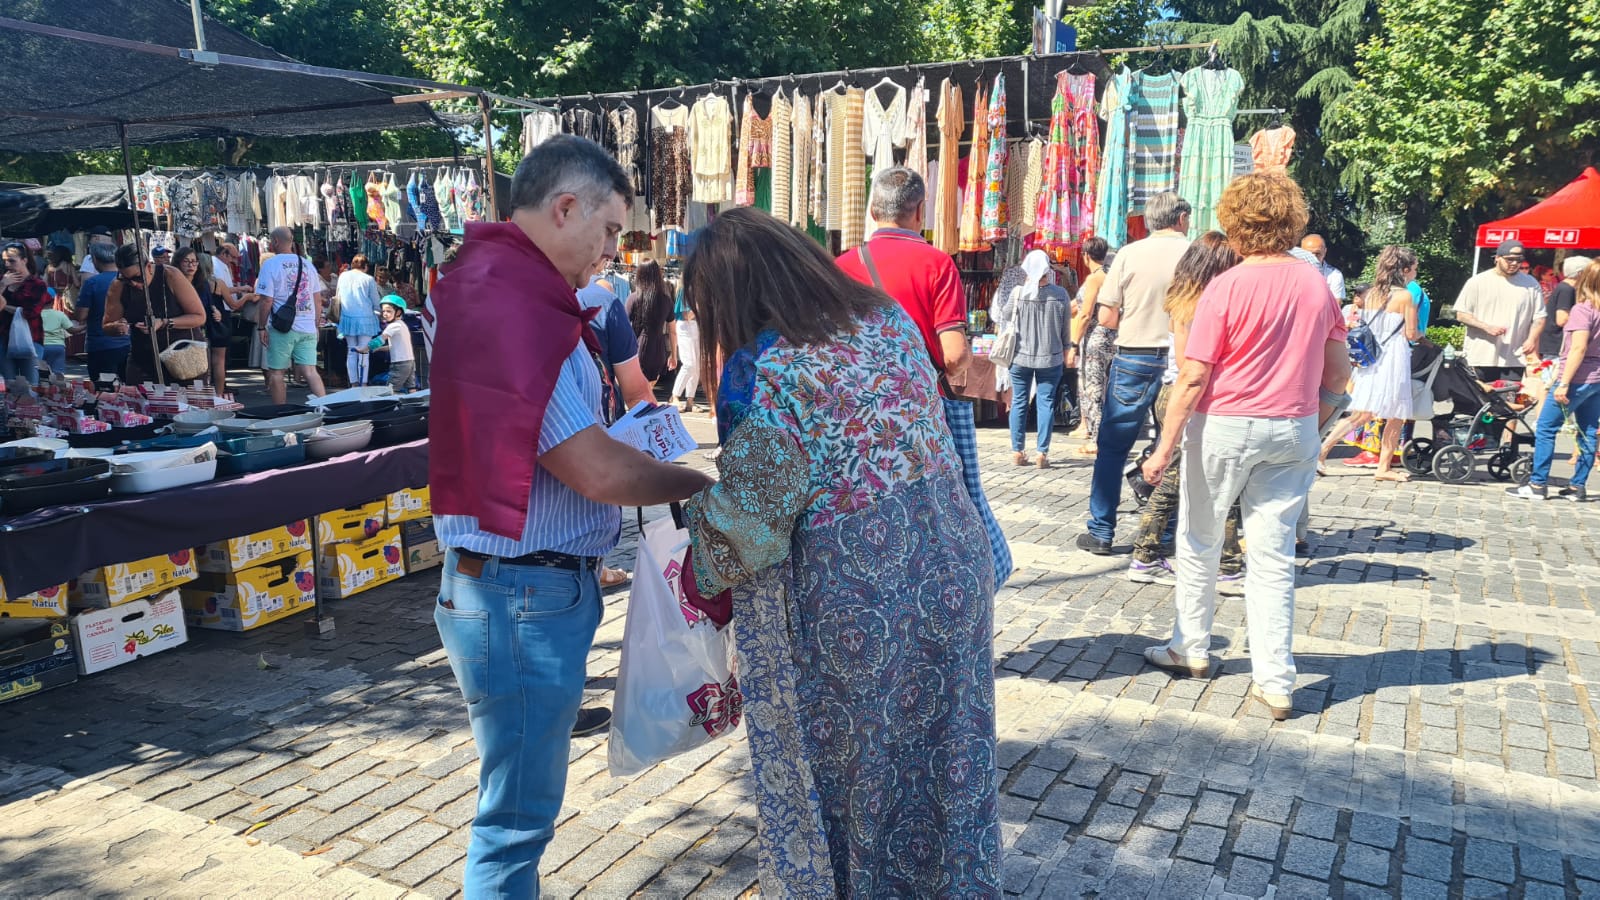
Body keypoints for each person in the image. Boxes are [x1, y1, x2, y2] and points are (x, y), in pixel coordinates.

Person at [680, 206, 1001, 896]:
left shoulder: (763, 366)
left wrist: (693, 565)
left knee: (861, 782)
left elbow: (751, 527)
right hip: (951, 564)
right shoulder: (883, 319)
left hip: (860, 597)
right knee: (948, 761)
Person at [428, 135, 713, 898]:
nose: (612, 251)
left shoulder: (495, 285)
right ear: (564, 208)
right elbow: (593, 469)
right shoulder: (516, 308)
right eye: (612, 229)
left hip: (517, 588)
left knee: (517, 811)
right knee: (514, 823)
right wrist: (703, 481)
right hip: (520, 595)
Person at [1139, 173, 1350, 720]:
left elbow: (1192, 376)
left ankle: (1191, 646)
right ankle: (1276, 680)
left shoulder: (1224, 287)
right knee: (1274, 555)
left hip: (1226, 423)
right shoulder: (1316, 286)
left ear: (1234, 221)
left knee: (1200, 536)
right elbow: (1339, 373)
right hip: (1293, 426)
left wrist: (1162, 449)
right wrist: (1316, 421)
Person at [836, 165, 1011, 585]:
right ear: (919, 212)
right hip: (921, 417)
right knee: (939, 516)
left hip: (856, 416)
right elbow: (953, 355)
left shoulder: (840, 265)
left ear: (872, 210)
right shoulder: (937, 264)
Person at [1128, 232, 1247, 587]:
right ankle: (1150, 556)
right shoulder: (1199, 305)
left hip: (1177, 393)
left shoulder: (1185, 298)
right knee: (1192, 482)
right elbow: (1187, 363)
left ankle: (1218, 562)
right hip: (1189, 396)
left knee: (1202, 482)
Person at [1079, 192, 1193, 555]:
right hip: (1183, 358)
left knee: (1112, 448)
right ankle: (1168, 531)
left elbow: (1106, 317)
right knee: (1173, 446)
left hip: (1135, 355)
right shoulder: (1196, 253)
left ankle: (1101, 530)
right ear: (1182, 218)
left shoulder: (1128, 254)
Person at [1322, 246, 1420, 482]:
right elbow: (1410, 333)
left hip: (1371, 357)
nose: (1416, 273)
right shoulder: (1406, 296)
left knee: (1362, 413)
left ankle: (1321, 451)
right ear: (1405, 270)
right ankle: (1383, 467)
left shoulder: (1372, 293)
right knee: (1396, 414)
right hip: (1393, 357)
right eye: (1415, 268)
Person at [1510, 264, 1600, 502]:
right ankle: (1577, 486)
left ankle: (1537, 483)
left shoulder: (1584, 310)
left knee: (1546, 427)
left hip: (1577, 377)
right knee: (1589, 431)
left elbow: (1578, 347)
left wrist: (1563, 382)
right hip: (1597, 377)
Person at [992, 249, 1070, 468]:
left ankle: (1017, 451)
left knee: (1018, 401)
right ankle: (1042, 453)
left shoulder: (1018, 292)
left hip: (1020, 357)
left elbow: (1004, 315)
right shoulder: (1060, 294)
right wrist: (1067, 349)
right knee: (1045, 403)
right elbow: (1065, 329)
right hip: (1051, 357)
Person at [101, 243, 207, 384]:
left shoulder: (170, 275)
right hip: (143, 360)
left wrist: (163, 323)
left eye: (137, 277)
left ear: (149, 266)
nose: (133, 284)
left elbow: (199, 316)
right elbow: (107, 325)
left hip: (183, 358)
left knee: (186, 404)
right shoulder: (118, 286)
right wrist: (117, 327)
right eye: (126, 279)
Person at [249, 227, 327, 405]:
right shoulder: (307, 264)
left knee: (277, 372)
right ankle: (326, 407)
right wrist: (315, 325)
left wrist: (261, 327)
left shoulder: (270, 265)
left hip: (282, 327)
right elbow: (317, 300)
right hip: (307, 325)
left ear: (275, 241)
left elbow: (266, 301)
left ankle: (280, 413)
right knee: (310, 371)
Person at [1455, 239, 1543, 383]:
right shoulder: (1477, 282)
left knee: (1508, 402)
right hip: (1481, 356)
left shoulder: (1531, 284)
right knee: (1480, 403)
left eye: (1519, 260)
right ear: (1497, 258)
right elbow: (1462, 314)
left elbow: (1539, 317)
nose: (1514, 263)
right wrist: (1486, 327)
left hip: (1515, 358)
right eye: (1510, 259)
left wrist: (1532, 339)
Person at [75, 243, 127, 382]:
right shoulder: (128, 280)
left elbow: (81, 315)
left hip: (101, 345)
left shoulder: (92, 283)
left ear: (95, 260)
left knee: (104, 391)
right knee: (129, 391)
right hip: (129, 344)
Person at [1, 241, 51, 386]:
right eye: (4, 261)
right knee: (9, 384)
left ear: (24, 260)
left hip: (30, 338)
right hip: (4, 337)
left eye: (11, 261)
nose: (7, 265)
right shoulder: (2, 281)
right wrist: (3, 285)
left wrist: (4, 306)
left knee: (30, 385)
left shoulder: (37, 284)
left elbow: (30, 312)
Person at [334, 254, 383, 386]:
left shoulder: (343, 276)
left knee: (351, 351)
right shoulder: (369, 279)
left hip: (347, 317)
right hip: (365, 318)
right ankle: (364, 382)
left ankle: (353, 382)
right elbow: (375, 301)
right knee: (364, 351)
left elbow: (338, 295)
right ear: (366, 266)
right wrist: (380, 312)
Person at [624, 259, 674, 387]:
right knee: (649, 389)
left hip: (638, 348)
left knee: (638, 392)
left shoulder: (633, 298)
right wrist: (674, 355)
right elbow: (673, 331)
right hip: (658, 350)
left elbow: (622, 328)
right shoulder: (666, 300)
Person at [1537, 256, 1592, 361]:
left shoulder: (1567, 288)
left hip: (1556, 345)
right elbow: (1562, 319)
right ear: (1580, 273)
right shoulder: (1566, 290)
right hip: (1557, 346)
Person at [371, 296, 415, 392]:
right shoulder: (402, 324)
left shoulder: (393, 326)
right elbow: (393, 346)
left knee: (390, 390)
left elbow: (380, 339)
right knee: (411, 388)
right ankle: (415, 404)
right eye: (383, 311)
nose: (385, 314)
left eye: (388, 311)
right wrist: (379, 349)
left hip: (399, 364)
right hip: (410, 362)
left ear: (398, 312)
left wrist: (365, 348)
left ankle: (390, 406)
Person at [1300, 233, 1346, 301]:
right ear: (1300, 252)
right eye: (1308, 254)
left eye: (1317, 253)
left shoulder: (1334, 275)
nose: (1313, 257)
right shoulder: (1291, 272)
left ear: (1325, 252)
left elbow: (1335, 306)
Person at [39, 305, 79, 376]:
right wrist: (86, 326)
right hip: (57, 346)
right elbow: (72, 330)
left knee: (40, 374)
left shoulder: (36, 314)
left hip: (40, 346)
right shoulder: (60, 314)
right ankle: (58, 386)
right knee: (58, 375)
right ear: (52, 301)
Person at [44, 246, 80, 313]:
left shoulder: (48, 267)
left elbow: (45, 284)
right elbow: (77, 283)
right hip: (66, 299)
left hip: (53, 299)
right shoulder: (69, 266)